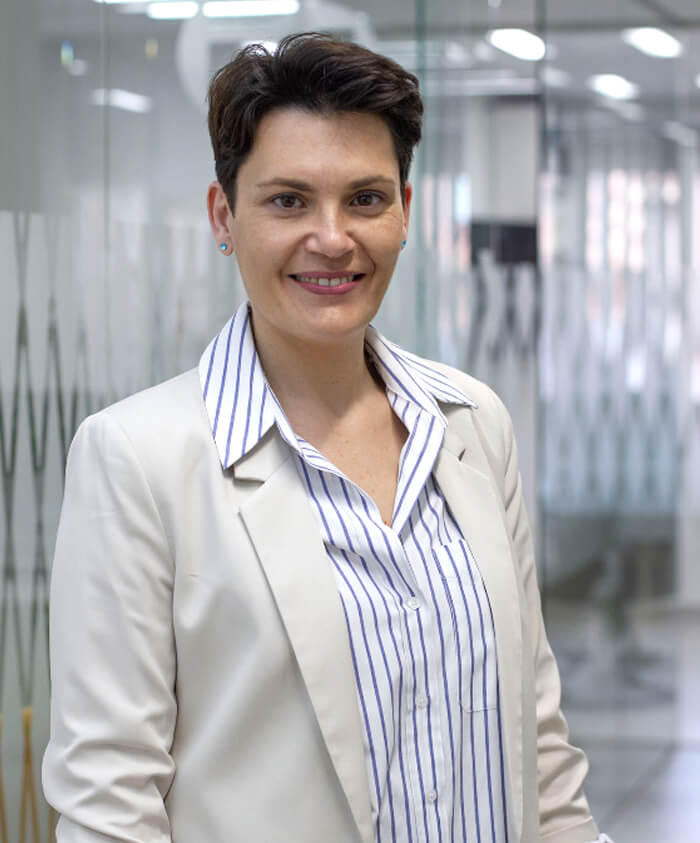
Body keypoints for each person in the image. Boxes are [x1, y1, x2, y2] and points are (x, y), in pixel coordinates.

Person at [42, 32, 611, 843]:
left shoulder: (472, 425)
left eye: (366, 199)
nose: (334, 237)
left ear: (405, 212)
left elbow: (539, 750)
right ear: (224, 216)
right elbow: (109, 805)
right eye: (288, 201)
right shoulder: (137, 458)